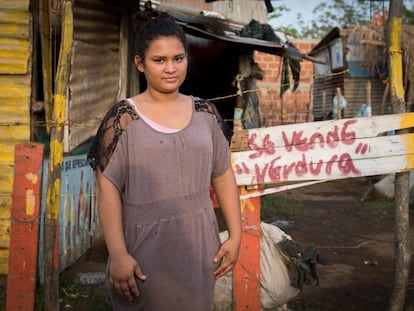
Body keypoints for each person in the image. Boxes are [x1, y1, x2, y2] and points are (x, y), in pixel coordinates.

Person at [87, 2, 242, 310]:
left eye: (178, 58)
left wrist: (235, 236)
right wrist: (118, 254)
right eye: (159, 60)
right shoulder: (123, 118)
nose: (171, 68)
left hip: (197, 245)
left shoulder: (205, 113)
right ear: (140, 63)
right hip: (143, 250)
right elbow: (107, 188)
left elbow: (223, 175)